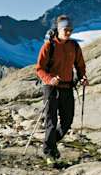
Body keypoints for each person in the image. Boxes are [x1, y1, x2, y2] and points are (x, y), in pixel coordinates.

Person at [34, 15, 88, 163]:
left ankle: (50, 144)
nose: (68, 32)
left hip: (67, 87)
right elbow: (39, 68)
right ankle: (49, 153)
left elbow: (80, 65)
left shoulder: (74, 46)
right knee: (51, 121)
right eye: (66, 30)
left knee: (67, 121)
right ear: (59, 29)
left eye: (71, 30)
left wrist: (83, 77)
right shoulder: (49, 46)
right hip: (51, 88)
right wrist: (49, 79)